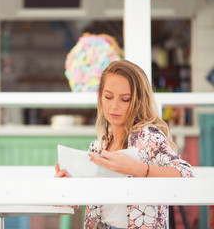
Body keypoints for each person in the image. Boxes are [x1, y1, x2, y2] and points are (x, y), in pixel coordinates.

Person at [55, 60, 193, 229]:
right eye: (108, 97)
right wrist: (65, 186)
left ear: (138, 101)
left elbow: (186, 175)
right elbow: (72, 205)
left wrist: (137, 169)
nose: (114, 106)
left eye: (125, 99)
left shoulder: (148, 136)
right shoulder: (98, 146)